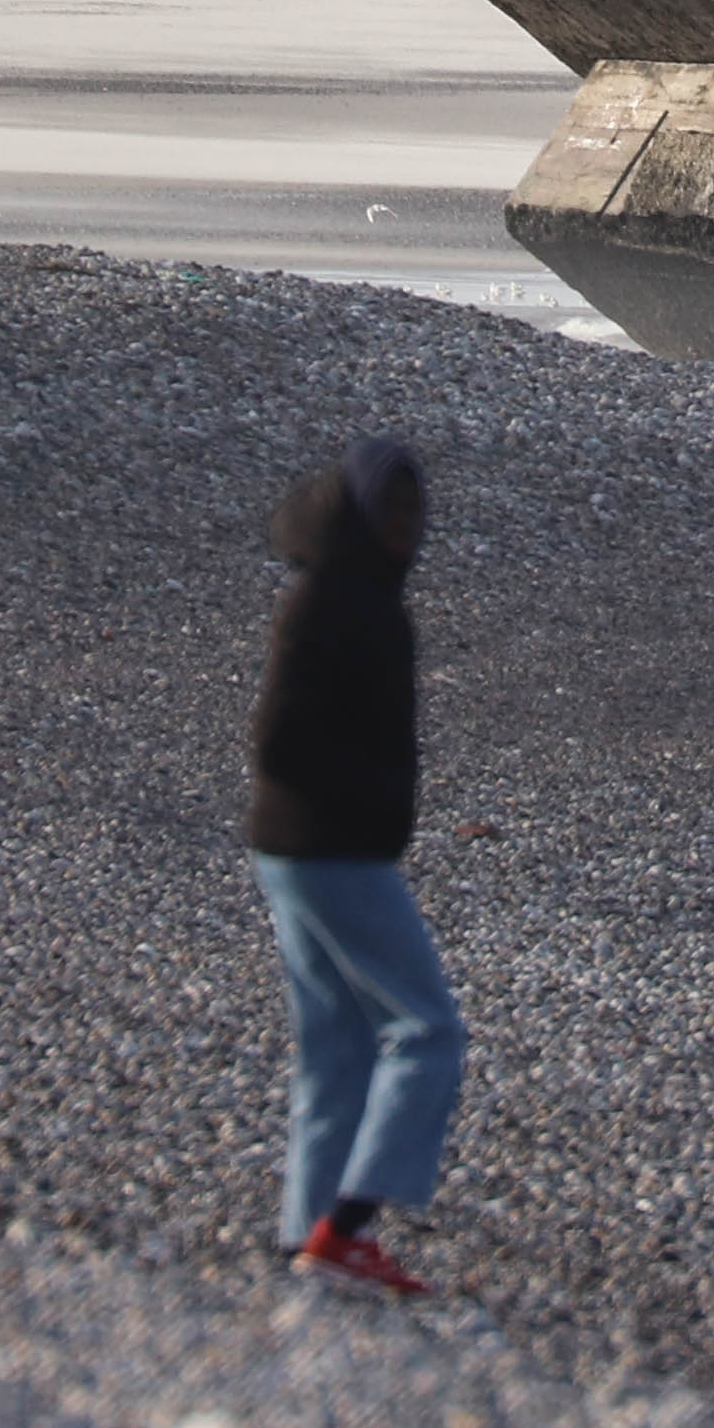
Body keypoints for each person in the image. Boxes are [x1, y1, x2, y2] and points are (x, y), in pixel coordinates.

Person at [247, 437, 463, 1298]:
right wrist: (361, 806)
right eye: (393, 509)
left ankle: (310, 1234)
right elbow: (278, 736)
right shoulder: (337, 603)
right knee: (428, 1030)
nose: (406, 528)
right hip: (328, 849)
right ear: (358, 511)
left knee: (335, 1044)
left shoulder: (352, 591)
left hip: (294, 847)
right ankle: (351, 1224)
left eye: (414, 511)